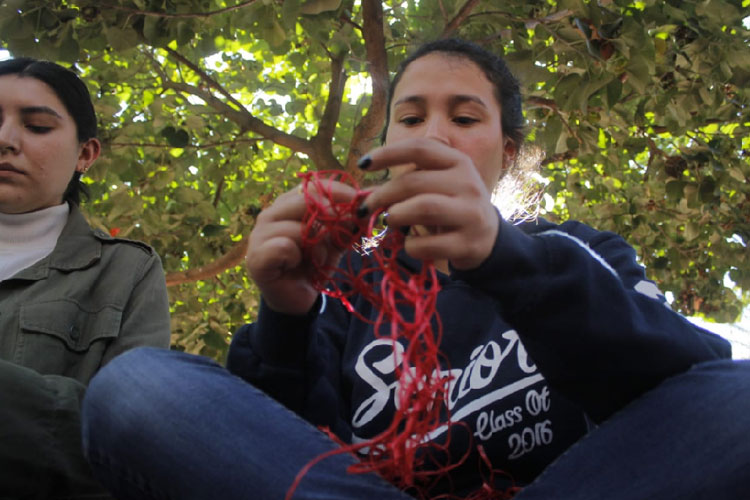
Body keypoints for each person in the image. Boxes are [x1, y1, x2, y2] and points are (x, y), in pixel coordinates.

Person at [81, 39, 750, 500]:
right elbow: (276, 456)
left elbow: (688, 391)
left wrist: (506, 262)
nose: (432, 136)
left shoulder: (576, 253)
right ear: (387, 146)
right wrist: (285, 311)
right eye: (410, 117)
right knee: (136, 387)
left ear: (509, 150)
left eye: (464, 117)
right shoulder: (343, 294)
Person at [0, 57, 171, 498]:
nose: (5, 140)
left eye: (37, 126)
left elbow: (130, 441)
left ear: (85, 154)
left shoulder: (127, 271)